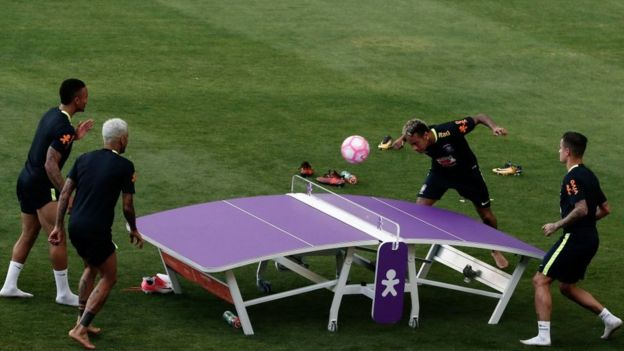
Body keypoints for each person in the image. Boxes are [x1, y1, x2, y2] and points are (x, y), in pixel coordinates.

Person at [48, 118, 143, 350]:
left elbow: (64, 194)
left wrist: (58, 226)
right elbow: (128, 206)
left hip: (76, 225)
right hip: (96, 230)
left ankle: (81, 321)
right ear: (122, 139)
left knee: (90, 267)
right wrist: (134, 229)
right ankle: (80, 329)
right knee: (109, 276)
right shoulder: (125, 166)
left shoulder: (83, 159)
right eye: (127, 137)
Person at [520, 132, 621, 346]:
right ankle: (609, 318)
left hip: (574, 238)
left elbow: (581, 209)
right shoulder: (589, 175)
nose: (558, 151)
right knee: (567, 286)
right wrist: (586, 226)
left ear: (567, 152)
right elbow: (606, 209)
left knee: (540, 280)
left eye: (559, 148)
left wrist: (556, 225)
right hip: (590, 238)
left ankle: (543, 336)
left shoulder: (572, 177)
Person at [1, 78, 94, 306]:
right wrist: (65, 193)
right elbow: (50, 163)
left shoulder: (53, 114)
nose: (87, 99)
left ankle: (9, 286)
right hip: (41, 186)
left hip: (26, 180)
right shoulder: (63, 126)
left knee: (29, 233)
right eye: (85, 96)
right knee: (57, 237)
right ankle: (63, 294)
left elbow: (51, 141)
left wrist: (73, 136)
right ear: (76, 99)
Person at [394, 114, 509, 269]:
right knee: (419, 210)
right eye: (410, 144)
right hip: (441, 173)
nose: (414, 148)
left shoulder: (450, 130)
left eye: (415, 143)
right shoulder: (421, 133)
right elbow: (414, 130)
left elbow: (479, 117)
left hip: (468, 176)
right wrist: (402, 138)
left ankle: (495, 249)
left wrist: (494, 127)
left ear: (426, 135)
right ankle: (403, 251)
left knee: (487, 216)